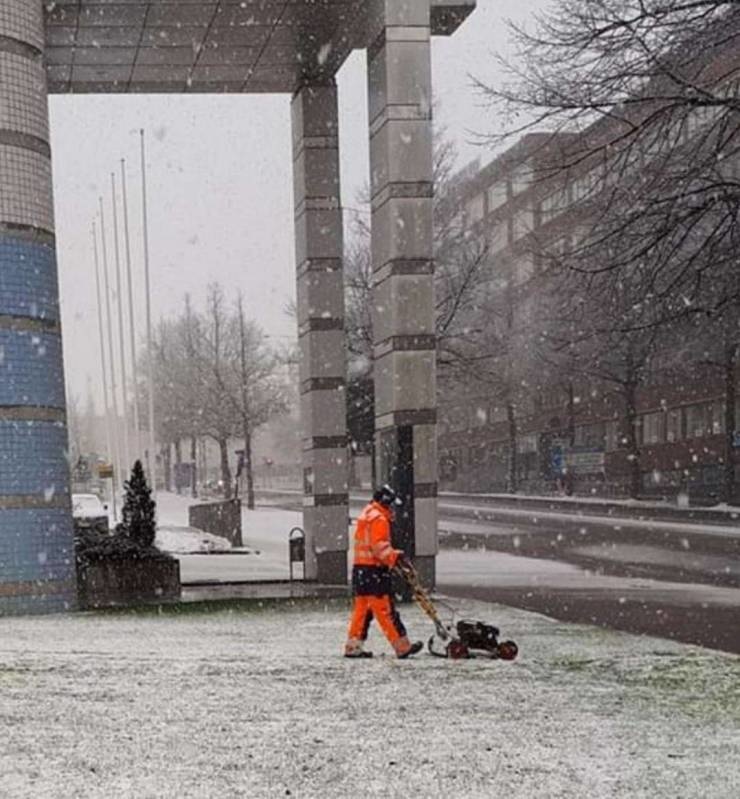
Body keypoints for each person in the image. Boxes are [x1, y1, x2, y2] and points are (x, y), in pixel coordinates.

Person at [344, 484, 423, 659]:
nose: (394, 509)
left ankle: (353, 647)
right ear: (386, 503)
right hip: (374, 572)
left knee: (361, 613)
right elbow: (379, 548)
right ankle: (402, 647)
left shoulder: (366, 514)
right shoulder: (379, 519)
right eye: (392, 505)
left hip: (361, 572)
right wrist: (396, 557)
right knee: (386, 611)